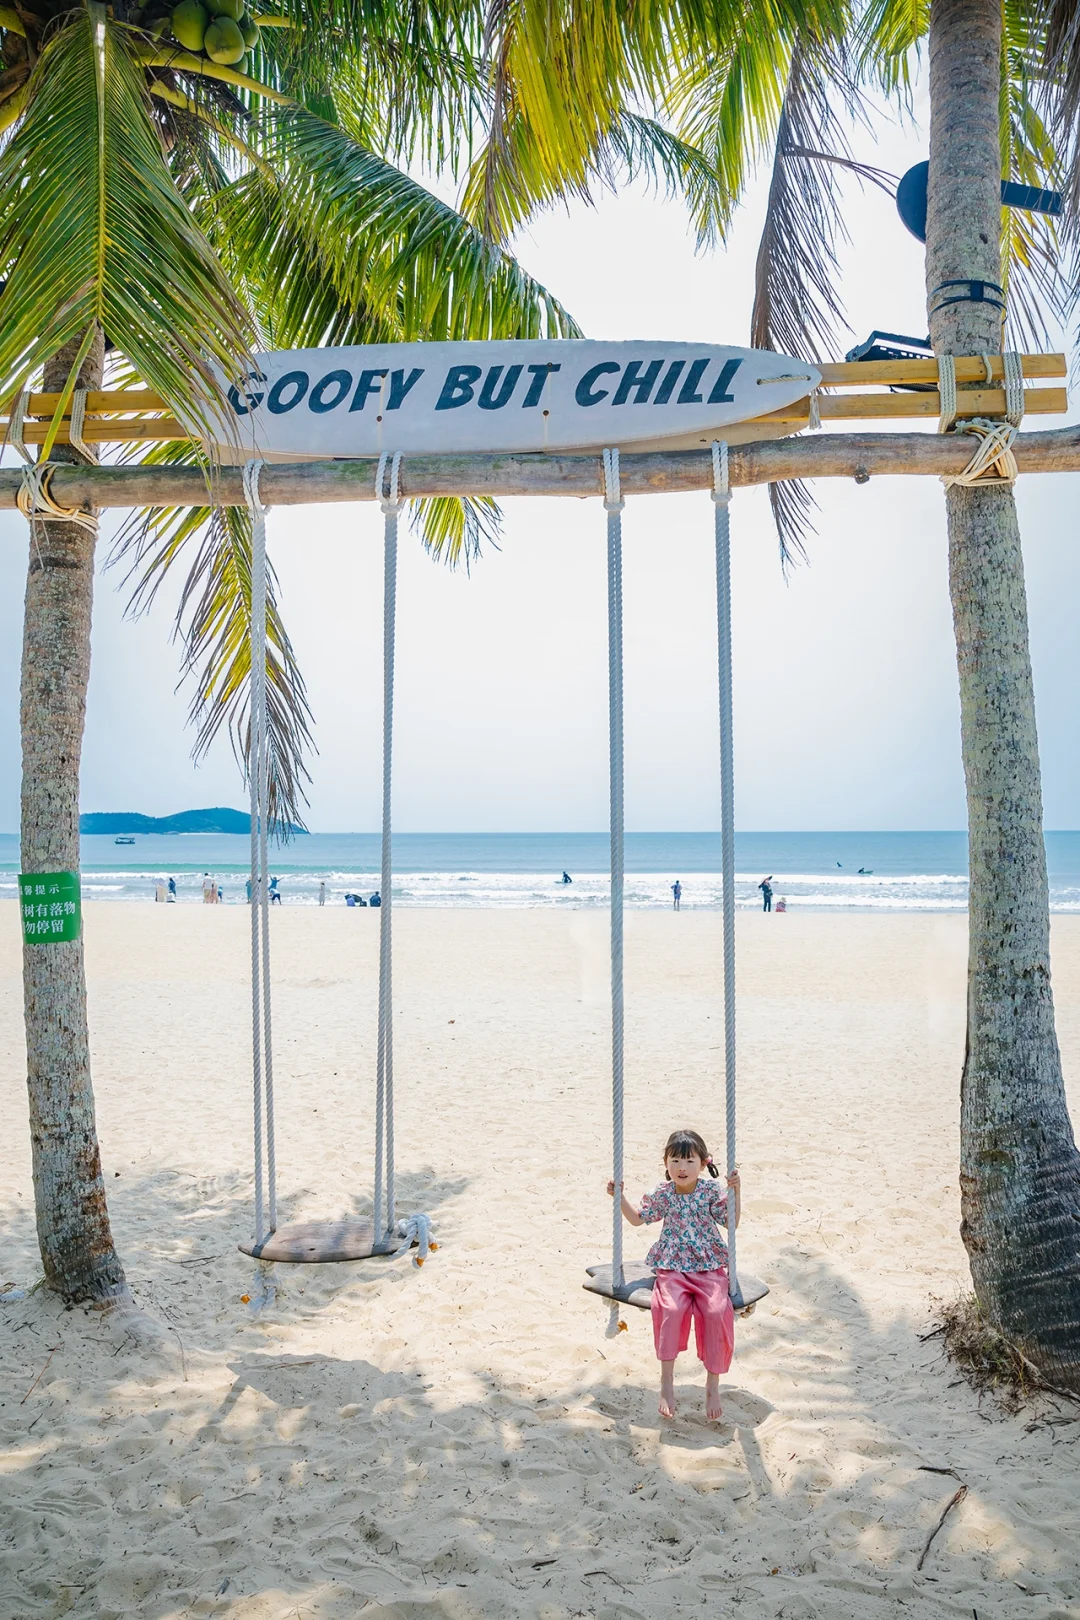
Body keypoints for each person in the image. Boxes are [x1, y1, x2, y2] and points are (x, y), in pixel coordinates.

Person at [609, 1129, 740, 1421]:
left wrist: (736, 1193)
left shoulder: (710, 1192)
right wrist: (619, 1196)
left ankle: (712, 1385)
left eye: (690, 1161)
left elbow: (733, 1222)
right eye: (676, 1160)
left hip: (708, 1264)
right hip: (673, 1265)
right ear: (666, 1163)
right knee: (669, 1308)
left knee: (717, 1310)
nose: (682, 1168)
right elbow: (636, 1219)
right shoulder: (664, 1194)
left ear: (704, 1164)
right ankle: (666, 1382)